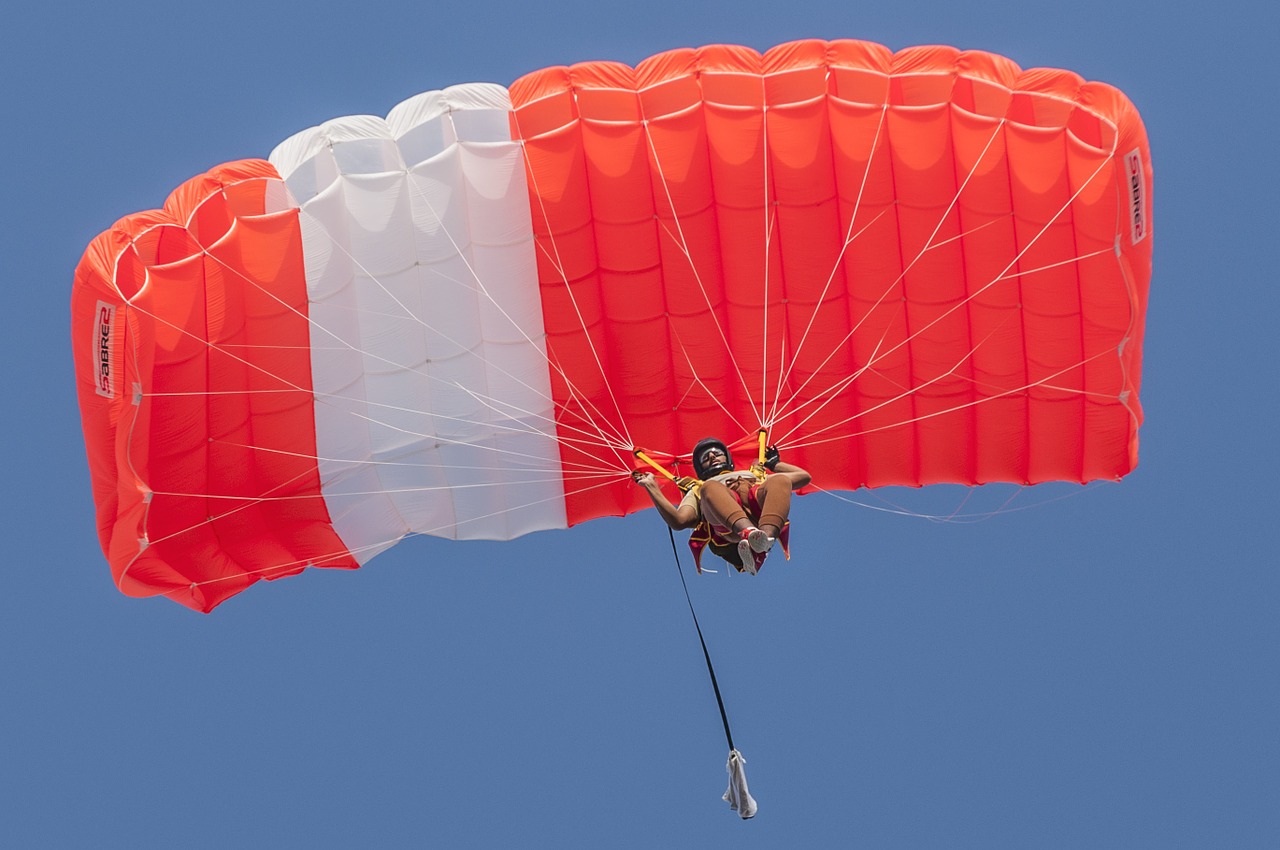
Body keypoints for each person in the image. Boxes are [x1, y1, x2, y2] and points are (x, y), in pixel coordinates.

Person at [634, 437, 811, 574]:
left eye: (716, 453)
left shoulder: (751, 474)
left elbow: (803, 477)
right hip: (727, 528)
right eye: (705, 457)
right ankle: (749, 533)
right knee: (710, 487)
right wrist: (652, 488)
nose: (712, 456)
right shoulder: (697, 488)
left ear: (727, 458)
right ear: (700, 467)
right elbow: (679, 521)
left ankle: (764, 542)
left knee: (780, 480)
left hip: (759, 512)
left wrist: (774, 464)